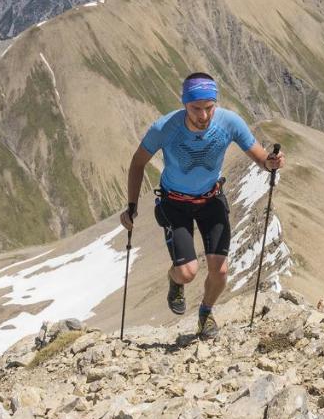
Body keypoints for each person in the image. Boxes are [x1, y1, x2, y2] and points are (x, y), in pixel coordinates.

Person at [120, 73, 284, 340]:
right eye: (196, 108)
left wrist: (271, 163)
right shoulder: (165, 128)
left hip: (210, 200)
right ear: (184, 103)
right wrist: (131, 205)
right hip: (174, 203)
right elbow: (138, 163)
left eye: (209, 107)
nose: (204, 115)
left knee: (220, 270)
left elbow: (260, 157)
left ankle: (205, 313)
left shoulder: (229, 123)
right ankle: (175, 281)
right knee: (187, 273)